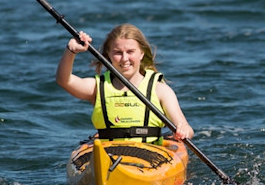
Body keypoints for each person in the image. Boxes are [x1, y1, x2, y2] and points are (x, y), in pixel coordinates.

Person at [56, 23, 194, 144]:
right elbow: (64, 80)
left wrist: (184, 130)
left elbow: (186, 127)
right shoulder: (98, 87)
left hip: (150, 156)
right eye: (117, 52)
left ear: (141, 53)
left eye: (130, 52)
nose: (124, 58)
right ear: (108, 55)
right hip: (107, 154)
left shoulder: (160, 90)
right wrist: (71, 50)